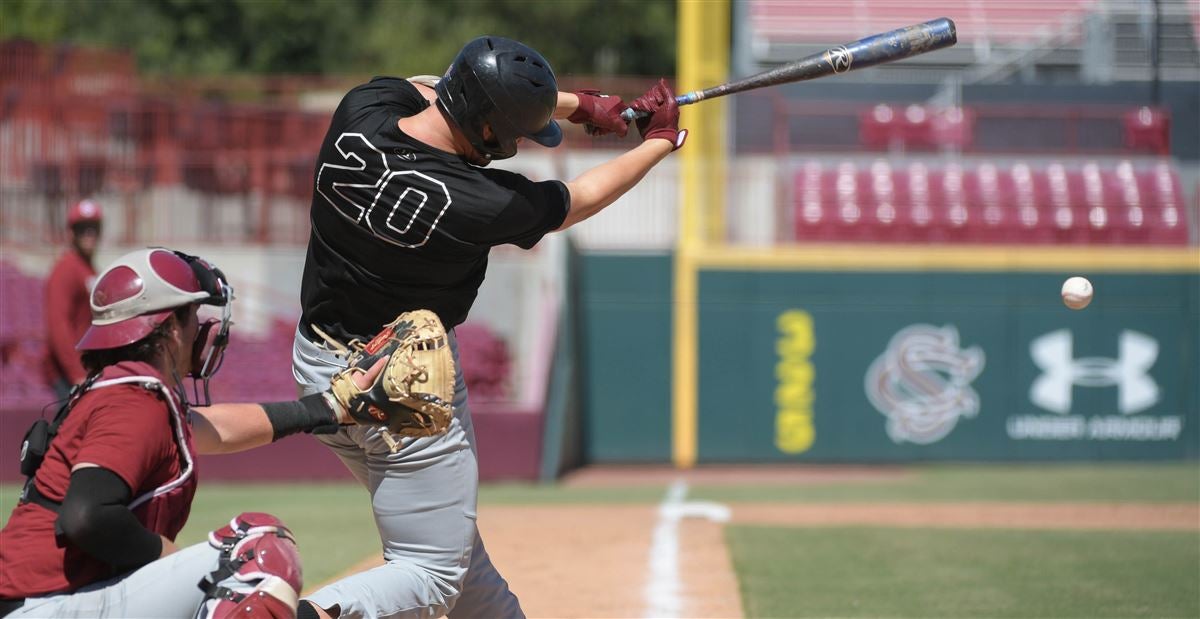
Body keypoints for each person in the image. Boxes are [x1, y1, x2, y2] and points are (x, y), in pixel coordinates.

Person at [291, 36, 685, 619]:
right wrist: (658, 142)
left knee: (456, 556)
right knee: (432, 571)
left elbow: (431, 83)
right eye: (518, 134)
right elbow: (579, 199)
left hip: (316, 366)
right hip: (404, 388)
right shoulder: (478, 200)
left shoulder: (362, 108)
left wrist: (577, 105)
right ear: (489, 135)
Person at [0, 247, 380, 619]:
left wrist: (329, 406)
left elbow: (221, 429)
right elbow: (87, 516)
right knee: (253, 550)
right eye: (193, 314)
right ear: (167, 329)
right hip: (43, 604)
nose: (201, 326)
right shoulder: (132, 400)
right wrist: (171, 557)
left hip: (54, 599)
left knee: (222, 577)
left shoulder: (123, 391)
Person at [43, 199, 103, 401]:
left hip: (87, 368)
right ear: (71, 233)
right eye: (82, 229)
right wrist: (76, 372)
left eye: (93, 228)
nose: (89, 234)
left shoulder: (89, 268)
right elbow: (58, 325)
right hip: (68, 375)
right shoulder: (66, 269)